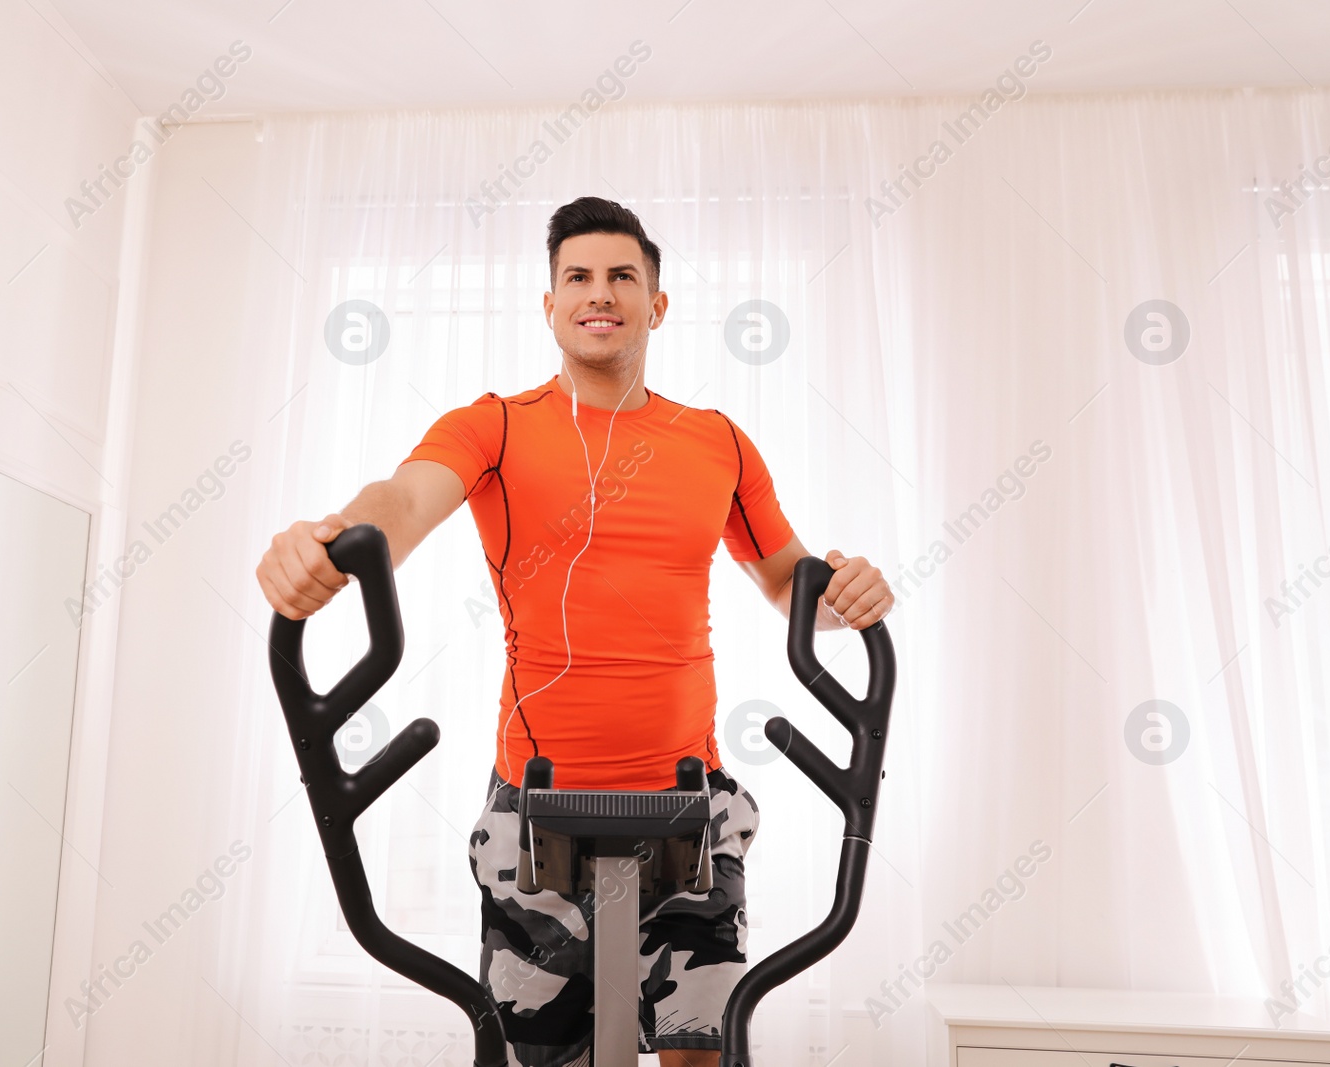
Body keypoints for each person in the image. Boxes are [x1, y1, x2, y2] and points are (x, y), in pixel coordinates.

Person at [257, 196, 894, 1067]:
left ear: (656, 304)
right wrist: (333, 542)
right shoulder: (495, 425)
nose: (601, 293)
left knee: (701, 1053)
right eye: (579, 277)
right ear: (550, 304)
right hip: (536, 813)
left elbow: (792, 581)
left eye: (622, 276)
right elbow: (402, 501)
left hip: (688, 808)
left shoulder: (718, 443)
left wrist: (846, 592)